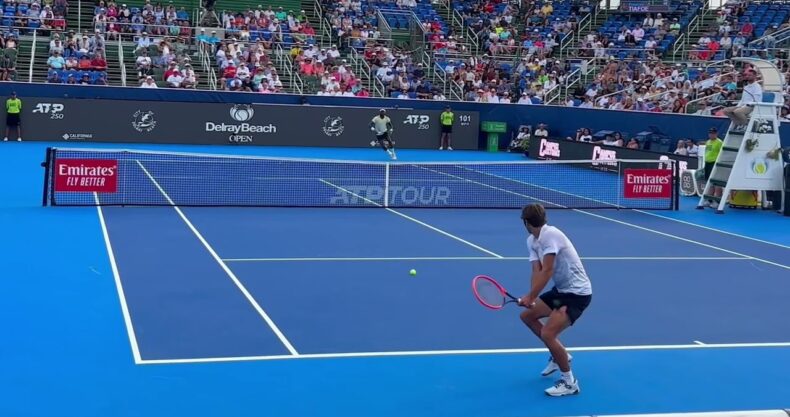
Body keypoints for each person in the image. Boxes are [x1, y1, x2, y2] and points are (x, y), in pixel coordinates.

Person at [517, 203, 592, 397]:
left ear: (526, 222)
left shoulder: (551, 235)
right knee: (527, 316)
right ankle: (560, 355)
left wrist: (531, 296)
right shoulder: (531, 241)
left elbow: (548, 270)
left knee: (548, 334)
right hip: (560, 292)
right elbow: (537, 271)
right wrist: (530, 297)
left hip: (576, 295)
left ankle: (570, 383)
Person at [700, 127, 723, 207]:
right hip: (707, 163)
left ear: (716, 134)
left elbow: (722, 153)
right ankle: (709, 200)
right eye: (710, 133)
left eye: (713, 133)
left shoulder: (719, 142)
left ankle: (717, 202)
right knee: (709, 183)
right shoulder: (708, 142)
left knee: (717, 183)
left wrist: (718, 163)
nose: (711, 134)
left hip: (715, 164)